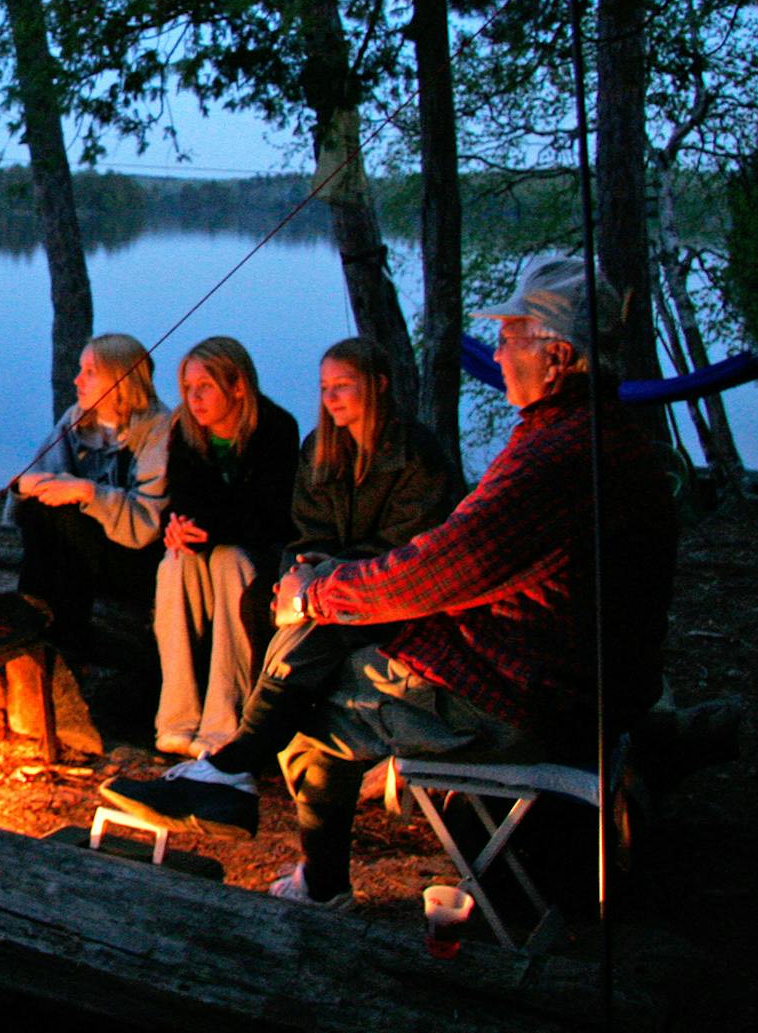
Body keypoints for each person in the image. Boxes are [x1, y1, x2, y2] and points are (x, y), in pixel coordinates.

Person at [109, 257, 677, 909]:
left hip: (532, 693)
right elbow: (424, 550)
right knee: (323, 625)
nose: (498, 354)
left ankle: (308, 867)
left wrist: (318, 592)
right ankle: (230, 771)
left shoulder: (558, 457)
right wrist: (322, 579)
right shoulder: (590, 436)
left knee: (315, 706)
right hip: (554, 667)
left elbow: (442, 564)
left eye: (510, 337)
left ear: (557, 357)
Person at [102, 336, 459, 833]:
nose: (331, 398)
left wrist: (319, 577)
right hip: (328, 580)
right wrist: (299, 570)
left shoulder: (416, 455)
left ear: (378, 386)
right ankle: (202, 743)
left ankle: (231, 760)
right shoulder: (322, 448)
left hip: (388, 591)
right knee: (200, 573)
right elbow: (306, 530)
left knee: (288, 608)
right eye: (325, 388)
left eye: (343, 386)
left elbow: (406, 546)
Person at [149, 336, 300, 756]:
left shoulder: (276, 429)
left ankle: (223, 724)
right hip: (208, 546)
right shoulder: (185, 431)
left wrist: (207, 526)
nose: (194, 399)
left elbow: (268, 514)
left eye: (205, 387)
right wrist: (176, 527)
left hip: (261, 554)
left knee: (227, 561)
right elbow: (181, 498)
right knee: (174, 563)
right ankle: (177, 719)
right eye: (188, 388)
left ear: (237, 386)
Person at [11, 333, 173, 650]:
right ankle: (28, 617)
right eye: (79, 370)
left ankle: (68, 638)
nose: (77, 380)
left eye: (90, 372)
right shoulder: (78, 420)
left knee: (69, 518)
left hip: (137, 560)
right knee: (39, 509)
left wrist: (88, 493)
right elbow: (42, 476)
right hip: (84, 550)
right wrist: (23, 486)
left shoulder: (159, 430)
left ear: (121, 381)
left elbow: (147, 522)